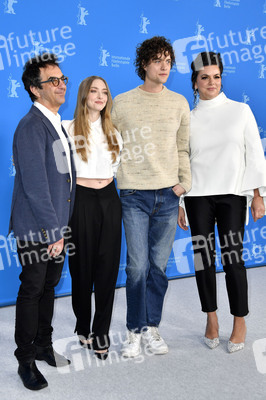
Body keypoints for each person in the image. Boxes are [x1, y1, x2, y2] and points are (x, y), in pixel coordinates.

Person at [178, 51, 266, 353]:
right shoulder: (187, 119)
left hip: (232, 194)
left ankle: (239, 321)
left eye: (216, 77)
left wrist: (258, 195)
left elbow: (254, 153)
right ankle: (211, 319)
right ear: (195, 82)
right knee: (203, 260)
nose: (211, 82)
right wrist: (180, 204)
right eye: (205, 77)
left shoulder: (240, 111)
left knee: (233, 259)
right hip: (198, 196)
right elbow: (184, 161)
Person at [111, 36, 191, 357]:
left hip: (169, 196)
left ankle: (151, 327)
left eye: (169, 61)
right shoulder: (122, 102)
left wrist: (183, 185)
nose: (164, 67)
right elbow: (108, 143)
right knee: (136, 267)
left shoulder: (179, 103)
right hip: (134, 194)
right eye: (158, 60)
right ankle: (133, 330)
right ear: (144, 64)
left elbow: (183, 148)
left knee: (158, 267)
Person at [9, 53, 76, 390]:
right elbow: (36, 187)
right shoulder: (30, 126)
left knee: (49, 287)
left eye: (63, 78)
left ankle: (43, 345)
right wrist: (54, 232)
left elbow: (62, 181)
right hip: (38, 229)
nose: (62, 84)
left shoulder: (56, 123)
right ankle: (25, 361)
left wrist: (63, 228)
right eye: (53, 80)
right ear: (35, 90)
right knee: (33, 289)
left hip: (55, 229)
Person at [62, 76, 122, 360]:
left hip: (109, 200)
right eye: (94, 91)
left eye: (105, 92)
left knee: (107, 270)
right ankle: (83, 326)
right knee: (81, 270)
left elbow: (117, 168)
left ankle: (102, 333)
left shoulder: (114, 132)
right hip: (81, 201)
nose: (100, 96)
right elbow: (61, 173)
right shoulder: (67, 129)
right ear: (84, 95)